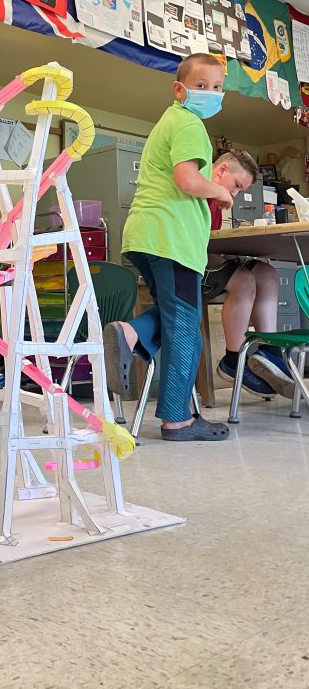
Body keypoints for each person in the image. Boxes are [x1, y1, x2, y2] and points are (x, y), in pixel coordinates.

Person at [104, 52, 232, 441]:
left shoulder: (170, 122)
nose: (211, 94)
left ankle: (131, 333)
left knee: (177, 317)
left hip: (148, 235)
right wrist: (221, 191)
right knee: (184, 326)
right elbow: (188, 180)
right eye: (201, 86)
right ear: (179, 89)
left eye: (217, 88)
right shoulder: (189, 124)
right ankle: (177, 418)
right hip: (170, 239)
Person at [204, 151, 295, 399]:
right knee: (244, 281)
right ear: (222, 170)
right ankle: (233, 361)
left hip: (210, 253)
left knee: (266, 273)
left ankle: (270, 350)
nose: (235, 194)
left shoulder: (217, 199)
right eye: (236, 186)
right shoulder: (198, 187)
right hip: (188, 258)